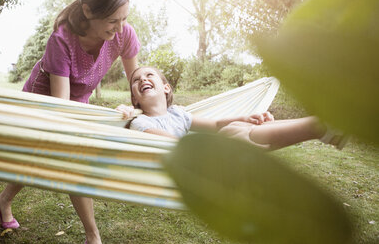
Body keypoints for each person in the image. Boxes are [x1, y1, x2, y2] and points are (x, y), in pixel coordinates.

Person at [0, 0, 140, 244]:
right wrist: (77, 133)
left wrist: (136, 107)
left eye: (124, 18)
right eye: (112, 21)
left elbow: (137, 83)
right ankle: (93, 238)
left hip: (78, 98)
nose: (120, 28)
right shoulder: (61, 40)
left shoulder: (124, 34)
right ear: (88, 11)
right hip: (46, 98)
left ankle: (3, 201)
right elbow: (61, 107)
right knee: (68, 156)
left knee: (37, 157)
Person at [128, 66, 348, 150]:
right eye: (136, 80)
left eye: (149, 75)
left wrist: (247, 117)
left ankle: (322, 127)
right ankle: (320, 126)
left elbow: (214, 124)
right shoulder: (141, 122)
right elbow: (173, 143)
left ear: (166, 88)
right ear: (135, 99)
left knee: (237, 126)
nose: (142, 79)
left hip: (204, 157)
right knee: (232, 132)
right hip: (189, 166)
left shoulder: (178, 114)